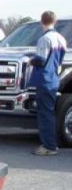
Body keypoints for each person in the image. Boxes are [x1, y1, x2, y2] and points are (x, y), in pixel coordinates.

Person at [28, 11, 67, 156]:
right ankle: (51, 144)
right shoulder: (61, 39)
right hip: (53, 79)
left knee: (44, 114)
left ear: (41, 21)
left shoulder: (44, 39)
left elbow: (41, 60)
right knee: (49, 112)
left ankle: (49, 146)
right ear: (55, 22)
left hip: (44, 79)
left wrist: (31, 60)